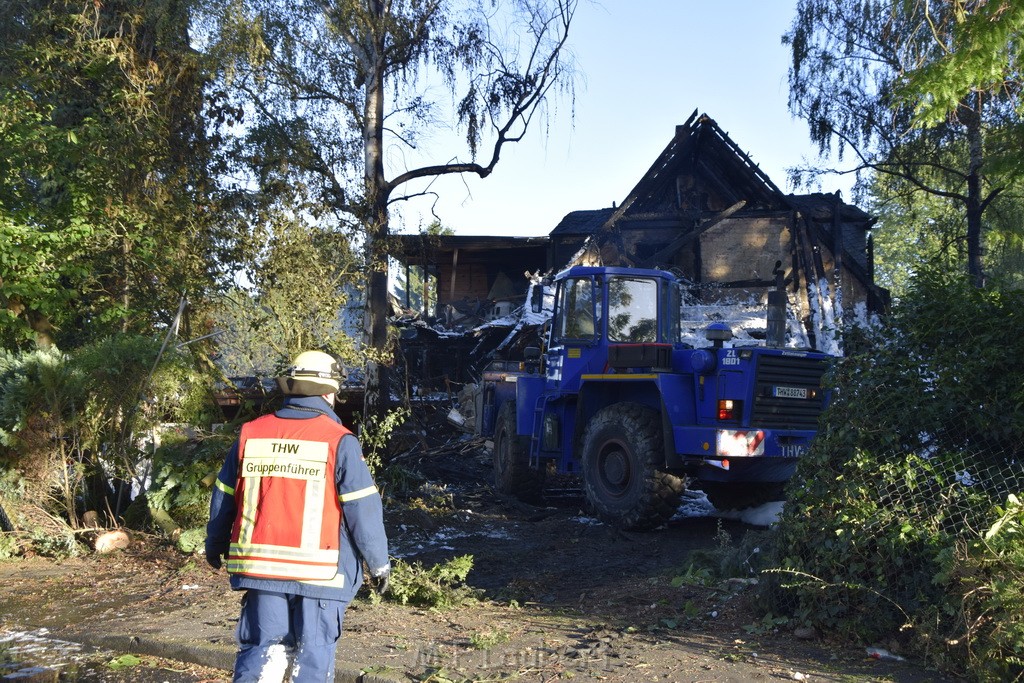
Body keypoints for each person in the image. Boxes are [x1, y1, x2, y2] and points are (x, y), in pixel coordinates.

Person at [206, 351, 390, 682]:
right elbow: (362, 510)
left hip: (261, 571)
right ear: (329, 391)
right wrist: (378, 564)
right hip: (320, 578)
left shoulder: (251, 434)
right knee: (312, 660)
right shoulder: (340, 441)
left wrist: (214, 543)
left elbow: (224, 497)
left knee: (264, 655)